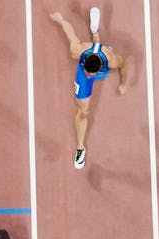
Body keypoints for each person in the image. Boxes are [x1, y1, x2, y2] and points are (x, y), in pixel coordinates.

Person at [50, 7, 127, 169]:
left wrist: (123, 83)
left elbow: (123, 65)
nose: (90, 75)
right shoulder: (78, 51)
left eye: (92, 74)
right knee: (83, 111)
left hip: (101, 61)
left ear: (98, 69)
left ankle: (95, 31)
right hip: (83, 73)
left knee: (99, 46)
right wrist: (60, 20)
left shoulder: (111, 60)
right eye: (88, 72)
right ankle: (80, 148)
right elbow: (69, 32)